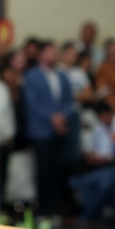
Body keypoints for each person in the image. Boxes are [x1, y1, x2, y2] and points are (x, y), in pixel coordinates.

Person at [23, 43, 79, 219]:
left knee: (57, 170)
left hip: (59, 131)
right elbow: (33, 104)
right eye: (49, 53)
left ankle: (54, 208)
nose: (53, 56)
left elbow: (70, 102)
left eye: (55, 53)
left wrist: (62, 116)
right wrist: (52, 118)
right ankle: (42, 210)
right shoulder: (32, 76)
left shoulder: (62, 76)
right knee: (43, 171)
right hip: (41, 130)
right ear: (41, 55)